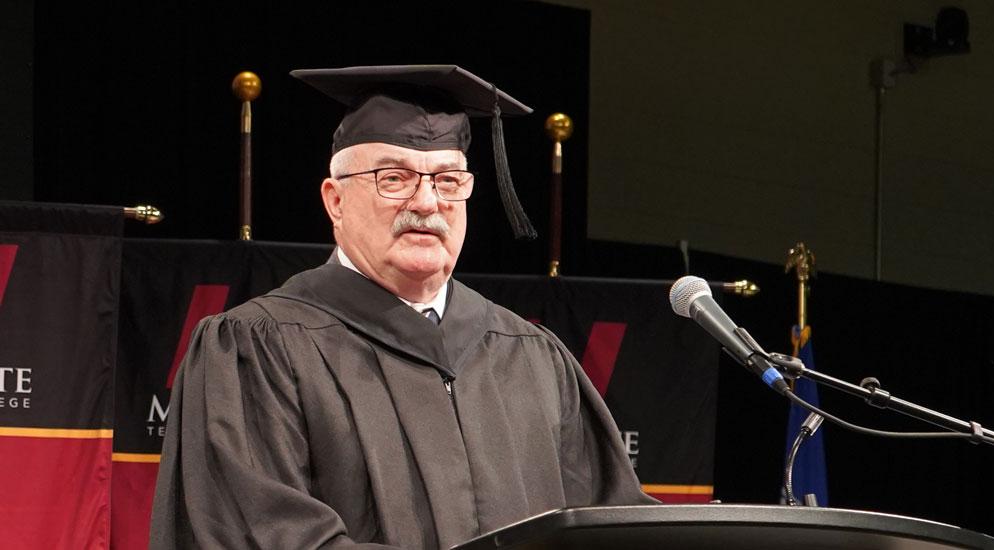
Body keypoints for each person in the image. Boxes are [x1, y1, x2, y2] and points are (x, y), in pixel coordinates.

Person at [149, 65, 654, 550]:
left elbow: (608, 528)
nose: (428, 202)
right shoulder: (256, 350)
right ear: (335, 201)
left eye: (449, 181)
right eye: (394, 178)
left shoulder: (532, 357)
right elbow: (258, 536)